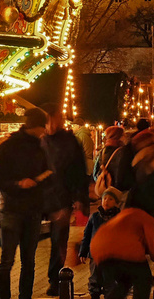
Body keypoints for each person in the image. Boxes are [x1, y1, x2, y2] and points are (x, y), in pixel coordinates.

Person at [0, 108, 54, 299]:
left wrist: (46, 179)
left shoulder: (41, 147)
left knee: (29, 261)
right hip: (12, 209)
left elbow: (48, 172)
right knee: (7, 260)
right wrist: (19, 183)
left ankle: (25, 296)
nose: (44, 130)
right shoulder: (9, 147)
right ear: (35, 126)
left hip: (33, 210)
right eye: (42, 126)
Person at [88, 202, 154, 299]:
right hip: (126, 252)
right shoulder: (144, 217)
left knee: (124, 282)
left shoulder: (124, 215)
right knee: (144, 278)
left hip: (99, 250)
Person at [43, 110, 90, 295]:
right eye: (48, 122)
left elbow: (78, 171)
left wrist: (79, 198)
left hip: (60, 197)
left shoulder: (70, 142)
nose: (52, 126)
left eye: (55, 122)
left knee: (58, 240)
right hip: (41, 196)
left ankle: (55, 280)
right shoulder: (40, 140)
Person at [74, 188, 123, 299]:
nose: (106, 201)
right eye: (104, 198)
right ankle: (94, 294)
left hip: (111, 255)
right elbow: (87, 235)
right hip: (95, 255)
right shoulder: (94, 217)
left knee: (109, 280)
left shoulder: (119, 217)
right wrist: (83, 252)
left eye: (110, 199)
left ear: (116, 203)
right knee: (94, 278)